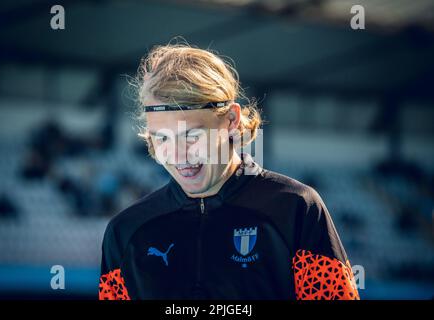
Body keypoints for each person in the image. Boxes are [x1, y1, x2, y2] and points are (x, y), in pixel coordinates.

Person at [98, 42, 359, 300]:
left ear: (231, 120)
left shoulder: (296, 208)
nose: (177, 156)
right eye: (162, 138)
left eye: (191, 135)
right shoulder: (126, 231)